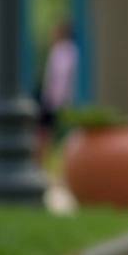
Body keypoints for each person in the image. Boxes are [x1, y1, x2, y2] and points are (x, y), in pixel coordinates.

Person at [38, 20, 79, 166]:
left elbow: (59, 78)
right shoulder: (71, 50)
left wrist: (56, 100)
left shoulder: (61, 51)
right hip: (59, 100)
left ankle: (43, 165)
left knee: (45, 134)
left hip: (54, 100)